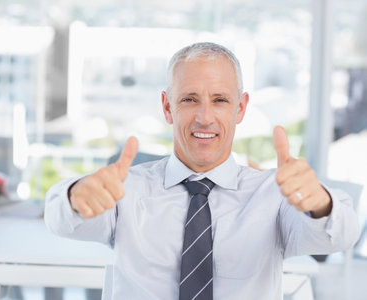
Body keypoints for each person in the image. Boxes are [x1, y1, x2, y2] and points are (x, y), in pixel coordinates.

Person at [45, 42, 360, 300]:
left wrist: (320, 204)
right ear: (168, 107)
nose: (205, 117)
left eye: (220, 100)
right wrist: (75, 196)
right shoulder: (130, 189)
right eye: (189, 100)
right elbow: (61, 221)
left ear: (240, 108)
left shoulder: (272, 195)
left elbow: (340, 236)